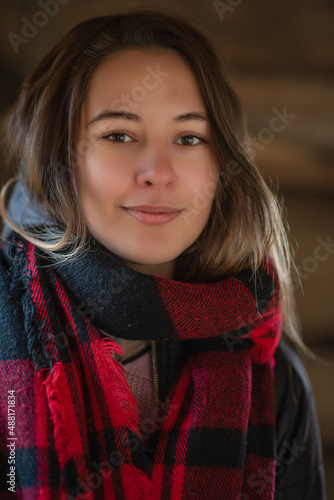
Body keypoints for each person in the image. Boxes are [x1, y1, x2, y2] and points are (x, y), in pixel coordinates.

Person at [0, 8, 326, 500]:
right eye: (119, 135)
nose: (158, 171)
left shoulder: (271, 378)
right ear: (57, 158)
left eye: (189, 138)